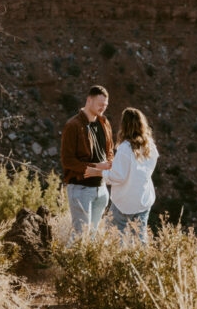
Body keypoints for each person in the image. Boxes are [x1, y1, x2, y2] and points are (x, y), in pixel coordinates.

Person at [85, 107, 157, 244]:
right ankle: (141, 264)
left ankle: (115, 263)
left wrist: (98, 172)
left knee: (114, 239)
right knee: (139, 240)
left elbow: (118, 177)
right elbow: (138, 169)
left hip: (124, 202)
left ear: (125, 125)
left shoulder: (125, 147)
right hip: (143, 200)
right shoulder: (150, 146)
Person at [60, 84, 113, 241]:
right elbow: (67, 160)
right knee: (79, 236)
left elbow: (109, 150)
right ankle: (67, 265)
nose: (103, 108)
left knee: (92, 236)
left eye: (105, 105)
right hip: (81, 188)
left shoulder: (104, 123)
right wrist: (96, 167)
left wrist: (110, 163)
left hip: (101, 189)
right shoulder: (73, 125)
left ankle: (84, 265)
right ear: (89, 100)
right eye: (100, 104)